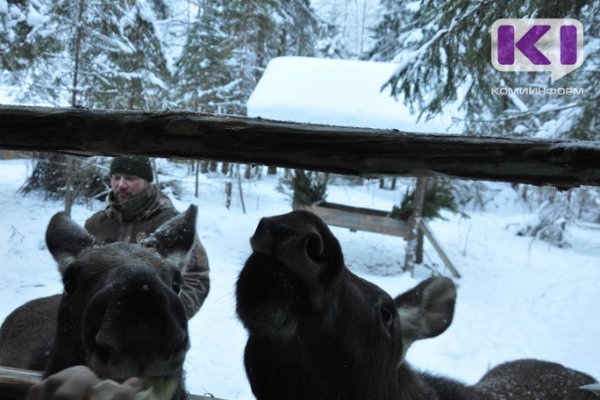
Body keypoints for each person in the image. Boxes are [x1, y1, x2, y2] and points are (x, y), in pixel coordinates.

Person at [85, 156, 210, 318]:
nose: (121, 185)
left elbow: (197, 276)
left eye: (130, 178)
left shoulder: (172, 224)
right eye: (116, 177)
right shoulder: (96, 224)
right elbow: (81, 276)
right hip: (99, 328)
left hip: (153, 331)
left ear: (147, 181)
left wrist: (172, 316)